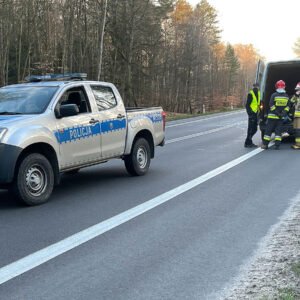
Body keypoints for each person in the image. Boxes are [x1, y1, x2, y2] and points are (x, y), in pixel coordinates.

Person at [261, 80, 290, 150]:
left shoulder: (274, 95)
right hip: (281, 118)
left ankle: (265, 145)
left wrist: (277, 113)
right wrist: (283, 114)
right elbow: (288, 106)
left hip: (272, 117)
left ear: (276, 86)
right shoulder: (286, 96)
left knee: (268, 131)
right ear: (284, 87)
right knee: (278, 131)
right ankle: (277, 145)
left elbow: (271, 105)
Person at [244, 83, 260, 148]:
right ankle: (247, 143)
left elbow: (258, 103)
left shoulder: (258, 93)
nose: (256, 88)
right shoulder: (251, 94)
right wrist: (250, 114)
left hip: (256, 113)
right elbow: (247, 105)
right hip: (252, 113)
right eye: (255, 87)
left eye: (257, 87)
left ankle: (248, 142)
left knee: (254, 129)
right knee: (251, 129)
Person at [291, 82, 300, 149]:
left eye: (298, 89)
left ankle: (298, 145)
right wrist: (296, 95)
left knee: (298, 130)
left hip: (298, 117)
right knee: (297, 130)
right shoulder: (297, 96)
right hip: (297, 116)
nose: (297, 91)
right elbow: (291, 102)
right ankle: (297, 144)